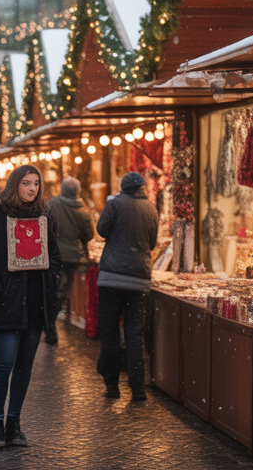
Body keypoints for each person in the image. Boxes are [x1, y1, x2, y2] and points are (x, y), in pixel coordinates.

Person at [0, 165, 61, 450]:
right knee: (5, 362)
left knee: (24, 366)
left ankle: (14, 423)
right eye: (26, 183)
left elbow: (55, 257)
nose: (32, 189)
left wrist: (51, 285)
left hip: (35, 304)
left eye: (36, 184)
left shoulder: (45, 218)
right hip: (7, 302)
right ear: (14, 185)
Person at [96, 171, 160, 402]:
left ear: (123, 187)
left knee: (110, 332)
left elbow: (101, 230)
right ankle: (138, 389)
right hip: (139, 278)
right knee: (134, 335)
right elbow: (152, 243)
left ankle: (112, 385)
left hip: (112, 277)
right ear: (142, 188)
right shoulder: (152, 209)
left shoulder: (115, 203)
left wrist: (110, 206)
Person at [47, 177, 94, 345]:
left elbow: (45, 226)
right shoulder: (83, 209)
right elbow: (88, 235)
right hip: (73, 256)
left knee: (52, 288)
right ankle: (50, 321)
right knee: (63, 292)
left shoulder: (52, 204)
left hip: (54, 254)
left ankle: (48, 322)